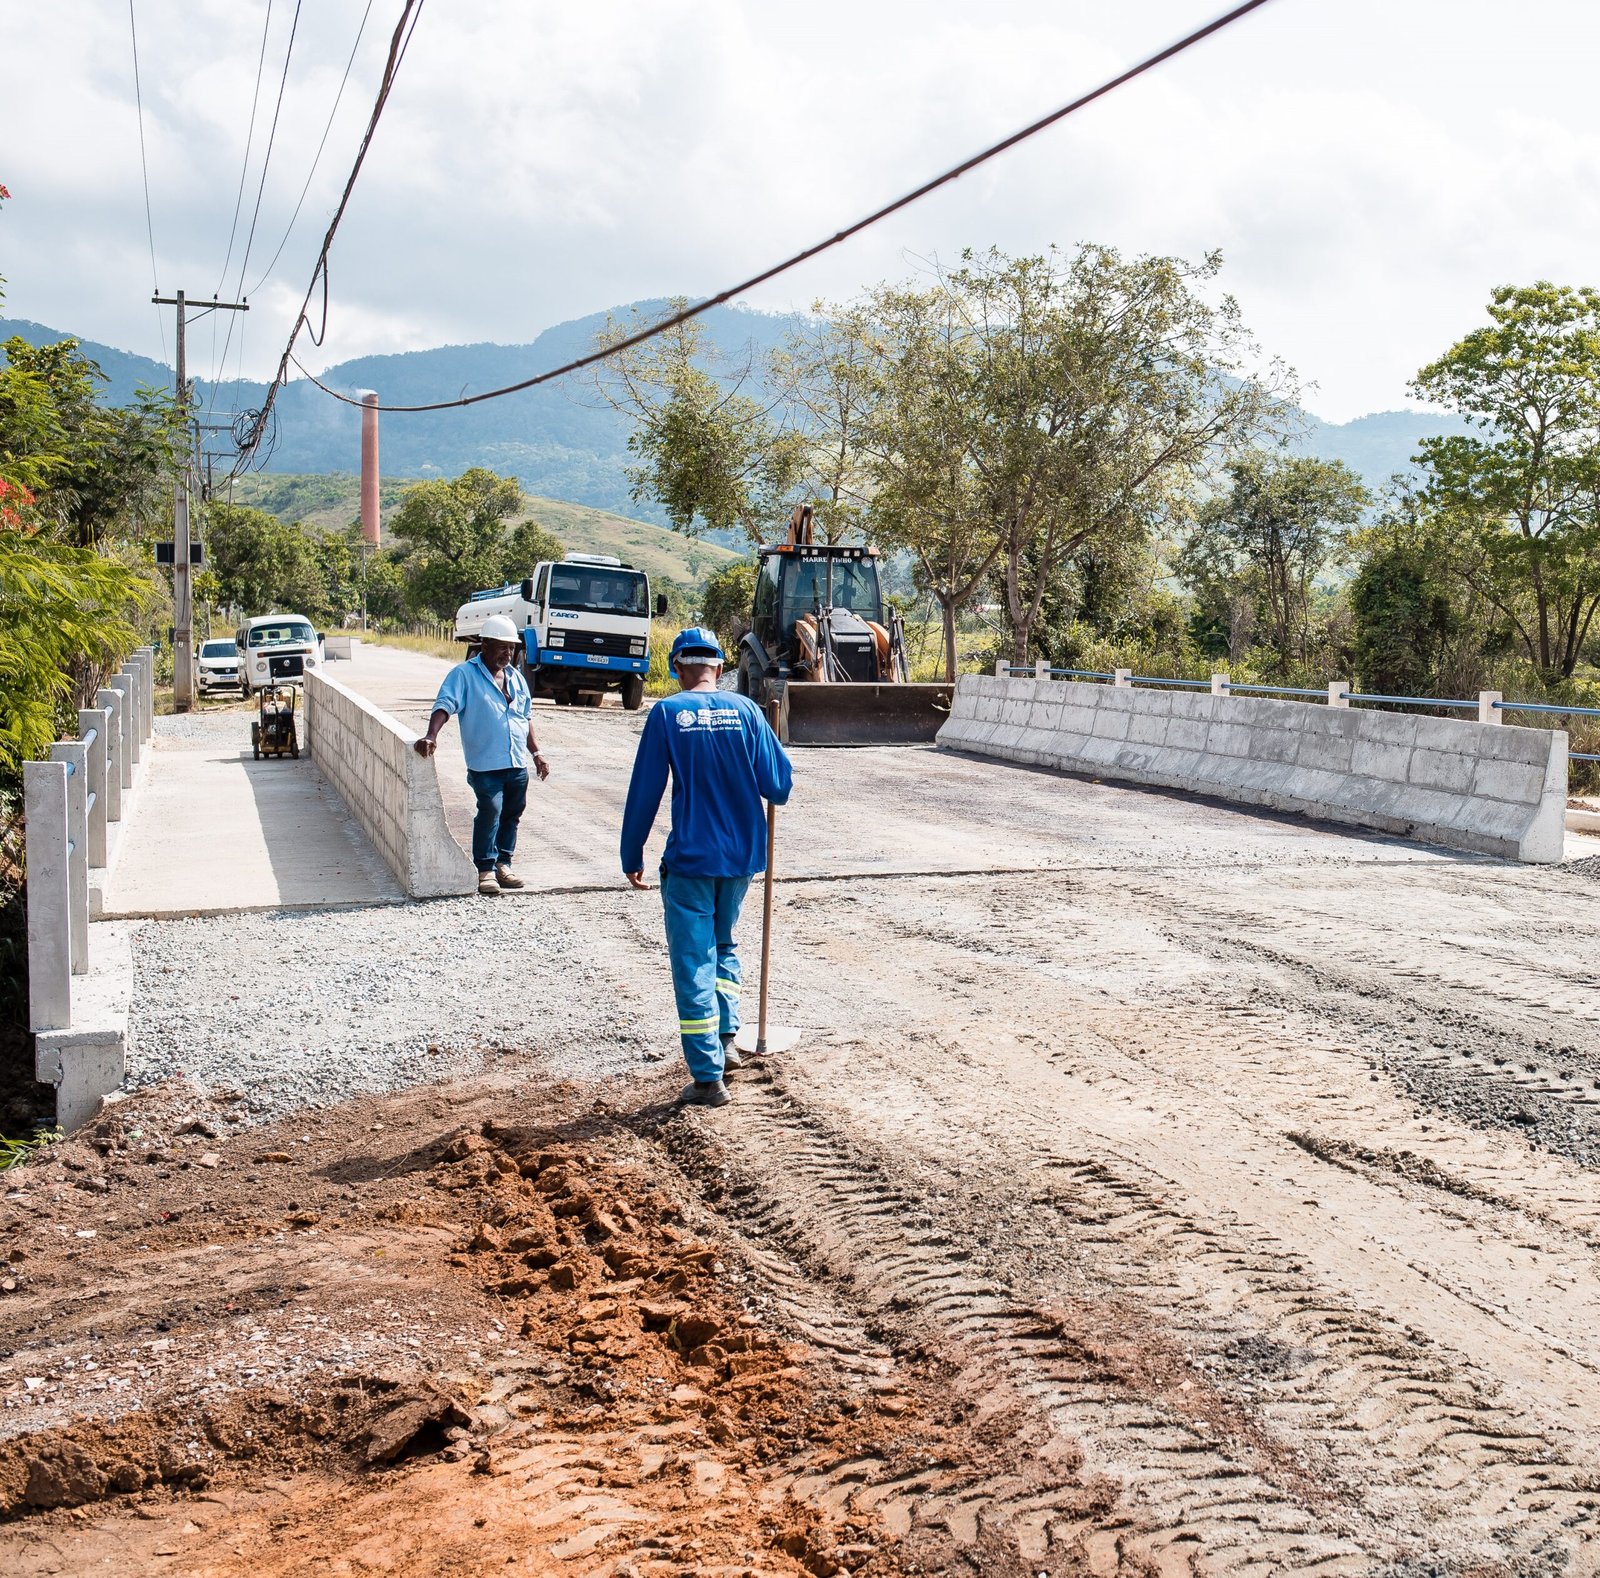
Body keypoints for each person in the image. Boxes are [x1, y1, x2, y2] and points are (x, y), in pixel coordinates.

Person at [621, 627, 792, 1107]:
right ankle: (725, 1040)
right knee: (724, 946)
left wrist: (630, 854)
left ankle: (706, 1078)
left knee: (694, 961)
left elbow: (645, 792)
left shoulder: (667, 714)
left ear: (677, 668)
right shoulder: (749, 712)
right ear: (718, 667)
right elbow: (778, 787)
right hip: (740, 860)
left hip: (692, 861)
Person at [414, 614, 550, 896]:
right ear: (485, 645)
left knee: (513, 813)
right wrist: (431, 735)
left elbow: (525, 718)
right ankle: (485, 869)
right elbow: (445, 705)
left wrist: (536, 753)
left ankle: (504, 863)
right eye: (502, 647)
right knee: (491, 810)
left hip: (516, 762)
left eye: (511, 648)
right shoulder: (464, 675)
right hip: (485, 764)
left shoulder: (516, 679)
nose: (508, 653)